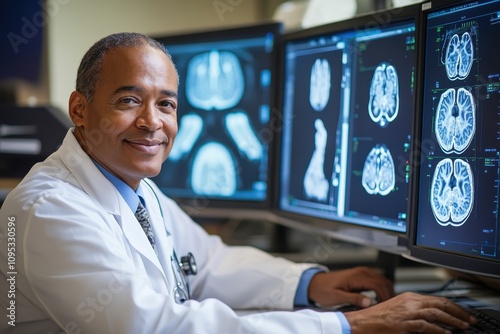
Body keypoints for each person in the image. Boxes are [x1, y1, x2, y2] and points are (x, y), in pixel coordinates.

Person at [0, 32, 476, 334]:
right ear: (80, 110)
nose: (152, 123)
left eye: (166, 104)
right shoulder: (50, 210)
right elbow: (151, 328)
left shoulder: (130, 183)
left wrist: (311, 283)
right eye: (128, 100)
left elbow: (206, 263)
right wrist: (347, 325)